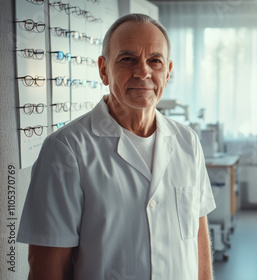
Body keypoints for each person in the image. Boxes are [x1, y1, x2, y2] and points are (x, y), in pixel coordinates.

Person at [17, 14, 216, 280]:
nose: (143, 71)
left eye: (154, 61)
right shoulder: (66, 150)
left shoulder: (187, 141)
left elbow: (198, 236)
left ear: (167, 72)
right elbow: (48, 270)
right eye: (127, 59)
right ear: (103, 70)